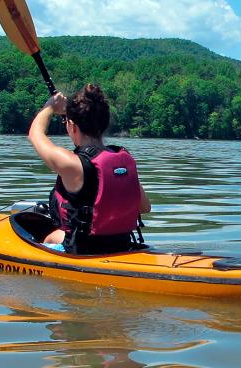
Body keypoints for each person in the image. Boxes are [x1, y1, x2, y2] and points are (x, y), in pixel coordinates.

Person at [28, 84, 152, 254]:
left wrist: (50, 106)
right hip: (123, 245)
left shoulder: (71, 163)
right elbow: (144, 207)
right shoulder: (122, 159)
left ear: (72, 126)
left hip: (85, 251)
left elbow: (35, 134)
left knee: (50, 237)